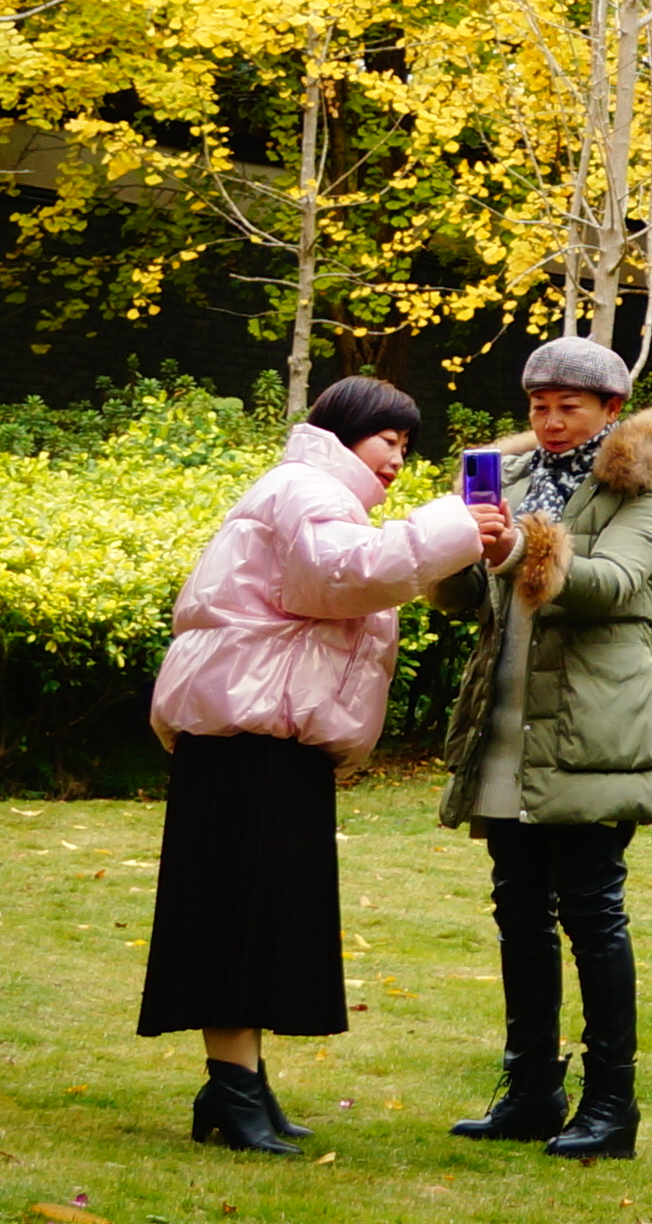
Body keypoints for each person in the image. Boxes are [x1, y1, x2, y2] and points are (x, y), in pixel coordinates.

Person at [137, 374, 498, 1156]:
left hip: (267, 733)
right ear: (344, 432)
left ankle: (238, 1086)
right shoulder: (304, 488)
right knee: (237, 914)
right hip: (245, 734)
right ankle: (233, 1092)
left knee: (260, 912)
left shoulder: (317, 493)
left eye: (407, 446)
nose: (399, 459)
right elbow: (341, 576)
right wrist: (457, 525)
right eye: (388, 441)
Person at [428, 339, 652, 1164]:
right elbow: (470, 599)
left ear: (611, 410)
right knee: (517, 911)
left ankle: (612, 1105)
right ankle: (532, 1089)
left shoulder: (642, 485)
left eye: (568, 406)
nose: (548, 420)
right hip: (507, 725)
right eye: (538, 404)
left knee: (592, 913)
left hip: (590, 729)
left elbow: (617, 582)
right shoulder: (500, 475)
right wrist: (455, 550)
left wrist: (522, 552)